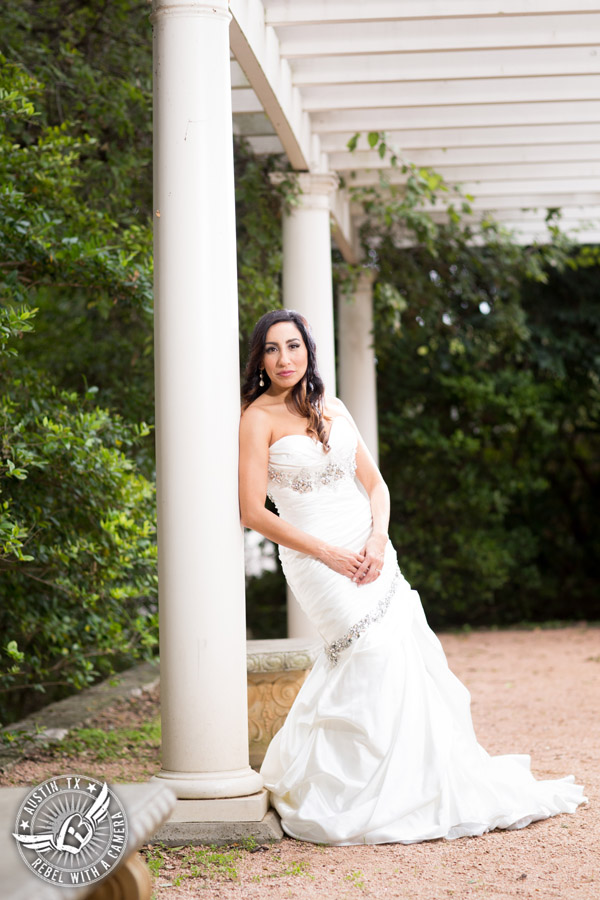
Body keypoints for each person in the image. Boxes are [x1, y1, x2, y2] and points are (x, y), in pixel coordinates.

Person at [238, 308, 587, 846]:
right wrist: (330, 554)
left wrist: (377, 539)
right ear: (259, 359)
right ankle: (352, 790)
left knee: (402, 654)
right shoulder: (256, 418)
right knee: (369, 653)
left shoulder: (333, 407)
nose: (284, 359)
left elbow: (376, 487)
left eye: (293, 346)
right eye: (271, 349)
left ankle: (415, 785)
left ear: (308, 350)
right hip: (316, 560)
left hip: (372, 550)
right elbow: (253, 514)